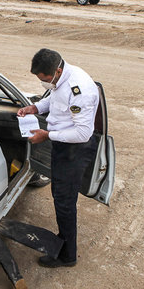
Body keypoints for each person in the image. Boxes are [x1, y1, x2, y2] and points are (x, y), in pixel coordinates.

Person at [17, 48, 99, 268]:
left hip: (74, 150)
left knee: (64, 203)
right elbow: (54, 102)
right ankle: (63, 239)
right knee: (60, 196)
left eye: (44, 80)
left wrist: (47, 135)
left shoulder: (79, 89)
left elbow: (83, 133)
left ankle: (67, 256)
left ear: (57, 70)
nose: (44, 84)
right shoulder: (60, 80)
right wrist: (35, 107)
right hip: (63, 145)